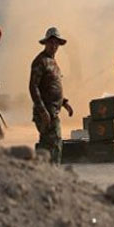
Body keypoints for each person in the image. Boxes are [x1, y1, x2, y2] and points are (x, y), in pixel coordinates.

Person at [29, 27, 73, 163]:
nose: (54, 46)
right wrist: (43, 111)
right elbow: (33, 87)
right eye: (51, 42)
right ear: (46, 43)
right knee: (54, 143)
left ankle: (44, 172)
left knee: (48, 146)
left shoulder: (53, 62)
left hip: (52, 111)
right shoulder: (40, 61)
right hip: (46, 112)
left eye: (56, 43)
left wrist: (64, 103)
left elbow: (52, 87)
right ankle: (50, 172)